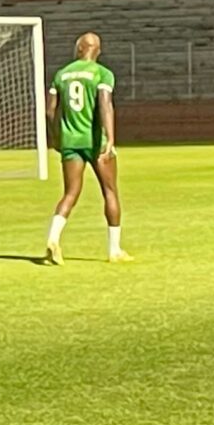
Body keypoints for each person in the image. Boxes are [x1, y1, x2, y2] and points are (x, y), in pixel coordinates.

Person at [46, 31, 131, 263]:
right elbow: (105, 104)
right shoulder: (102, 73)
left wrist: (57, 137)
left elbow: (49, 110)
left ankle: (53, 238)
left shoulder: (62, 74)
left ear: (80, 48)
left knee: (70, 193)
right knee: (110, 191)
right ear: (97, 50)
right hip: (96, 142)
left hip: (70, 142)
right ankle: (114, 250)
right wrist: (110, 138)